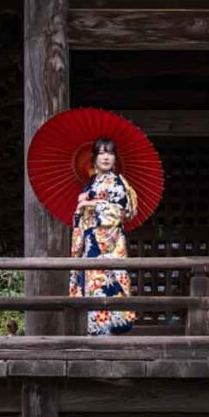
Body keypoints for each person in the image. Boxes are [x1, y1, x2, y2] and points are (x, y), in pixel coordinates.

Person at [70, 137, 139, 335]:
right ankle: (95, 333)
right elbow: (81, 218)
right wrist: (80, 208)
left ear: (115, 159)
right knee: (91, 286)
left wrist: (91, 204)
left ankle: (112, 333)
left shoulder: (118, 183)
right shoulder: (89, 185)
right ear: (94, 158)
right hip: (90, 243)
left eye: (110, 153)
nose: (106, 157)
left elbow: (122, 212)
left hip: (109, 243)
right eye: (101, 153)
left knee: (109, 284)